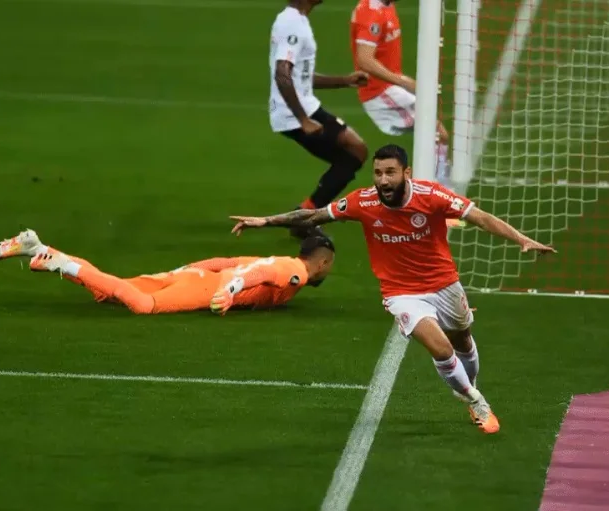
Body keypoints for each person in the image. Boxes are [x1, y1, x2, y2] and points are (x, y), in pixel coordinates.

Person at [229, 144, 556, 433]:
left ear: (406, 172)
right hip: (401, 293)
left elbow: (480, 217)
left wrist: (521, 239)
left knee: (462, 339)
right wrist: (267, 221)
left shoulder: (432, 196)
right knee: (441, 349)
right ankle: (477, 401)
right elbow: (314, 215)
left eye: (390, 173)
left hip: (444, 284)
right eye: (378, 173)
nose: (383, 180)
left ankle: (468, 387)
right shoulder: (363, 201)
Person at [0, 229, 336, 315]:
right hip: (206, 289)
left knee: (109, 292)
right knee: (143, 306)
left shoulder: (279, 260)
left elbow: (225, 260)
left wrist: (181, 270)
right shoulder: (295, 272)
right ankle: (55, 259)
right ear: (322, 261)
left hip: (197, 277)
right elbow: (258, 274)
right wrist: (230, 292)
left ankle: (37, 248)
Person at [270, 0, 371, 239]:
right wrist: (303, 120)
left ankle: (305, 215)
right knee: (355, 151)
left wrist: (344, 80)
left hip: (304, 107)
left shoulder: (298, 20)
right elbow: (282, 74)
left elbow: (301, 77)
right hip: (295, 114)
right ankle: (304, 217)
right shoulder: (292, 23)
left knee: (354, 153)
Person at [350, 0, 453, 190]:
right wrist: (402, 81)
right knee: (438, 135)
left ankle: (435, 192)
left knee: (437, 135)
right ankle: (436, 194)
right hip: (380, 94)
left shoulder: (386, 5)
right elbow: (364, 59)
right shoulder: (371, 13)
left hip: (390, 88)